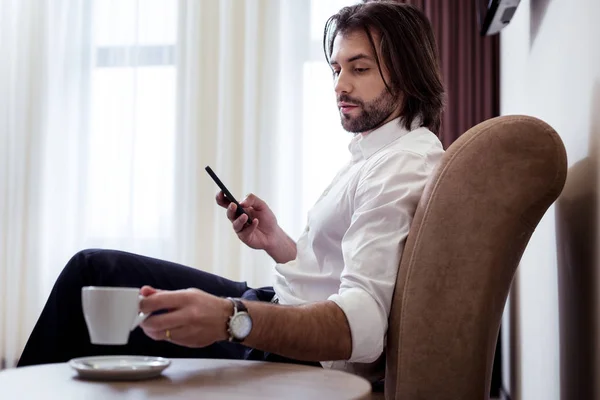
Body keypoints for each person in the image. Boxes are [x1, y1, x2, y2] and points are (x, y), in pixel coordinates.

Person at [17, 1, 445, 382]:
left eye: (359, 68)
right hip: (274, 303)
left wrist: (232, 319)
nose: (339, 86)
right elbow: (337, 273)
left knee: (91, 275)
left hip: (291, 350)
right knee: (96, 274)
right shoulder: (378, 153)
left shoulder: (401, 165)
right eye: (336, 70)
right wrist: (276, 242)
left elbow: (364, 327)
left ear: (406, 73)